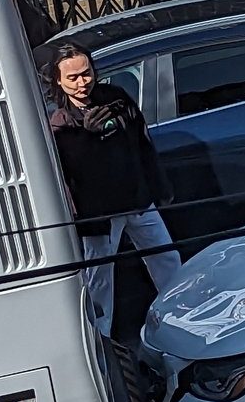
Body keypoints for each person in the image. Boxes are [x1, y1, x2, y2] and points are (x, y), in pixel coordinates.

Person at [43, 42, 181, 339]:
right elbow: (67, 173)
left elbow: (143, 144)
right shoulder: (57, 121)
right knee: (100, 279)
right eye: (73, 78)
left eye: (87, 73)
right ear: (58, 80)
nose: (83, 83)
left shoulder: (115, 99)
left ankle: (180, 317)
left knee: (166, 259)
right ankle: (101, 338)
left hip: (138, 200)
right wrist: (88, 138)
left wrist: (159, 186)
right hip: (99, 215)